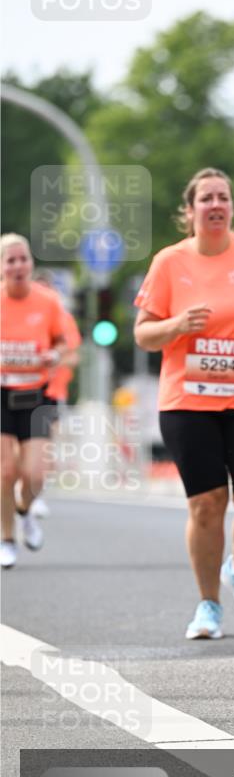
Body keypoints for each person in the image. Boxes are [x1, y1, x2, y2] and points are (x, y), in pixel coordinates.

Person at [134, 168, 234, 638]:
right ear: (191, 209)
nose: (215, 204)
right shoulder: (169, 262)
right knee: (207, 504)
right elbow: (143, 334)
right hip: (187, 400)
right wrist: (177, 325)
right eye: (206, 198)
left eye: (223, 197)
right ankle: (208, 606)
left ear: (232, 207)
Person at [1, 235, 68, 568]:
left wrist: (54, 353)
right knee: (5, 471)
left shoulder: (47, 302)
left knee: (35, 473)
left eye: (22, 259)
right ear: (1, 268)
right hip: (1, 393)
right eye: (9, 261)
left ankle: (24, 510)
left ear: (31, 263)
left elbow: (65, 342)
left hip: (36, 394)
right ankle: (7, 538)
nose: (17, 266)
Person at [29, 269, 82, 519]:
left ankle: (37, 494)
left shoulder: (63, 320)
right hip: (18, 390)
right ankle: (21, 490)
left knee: (44, 444)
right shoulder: (19, 314)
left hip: (51, 391)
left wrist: (53, 360)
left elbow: (73, 357)